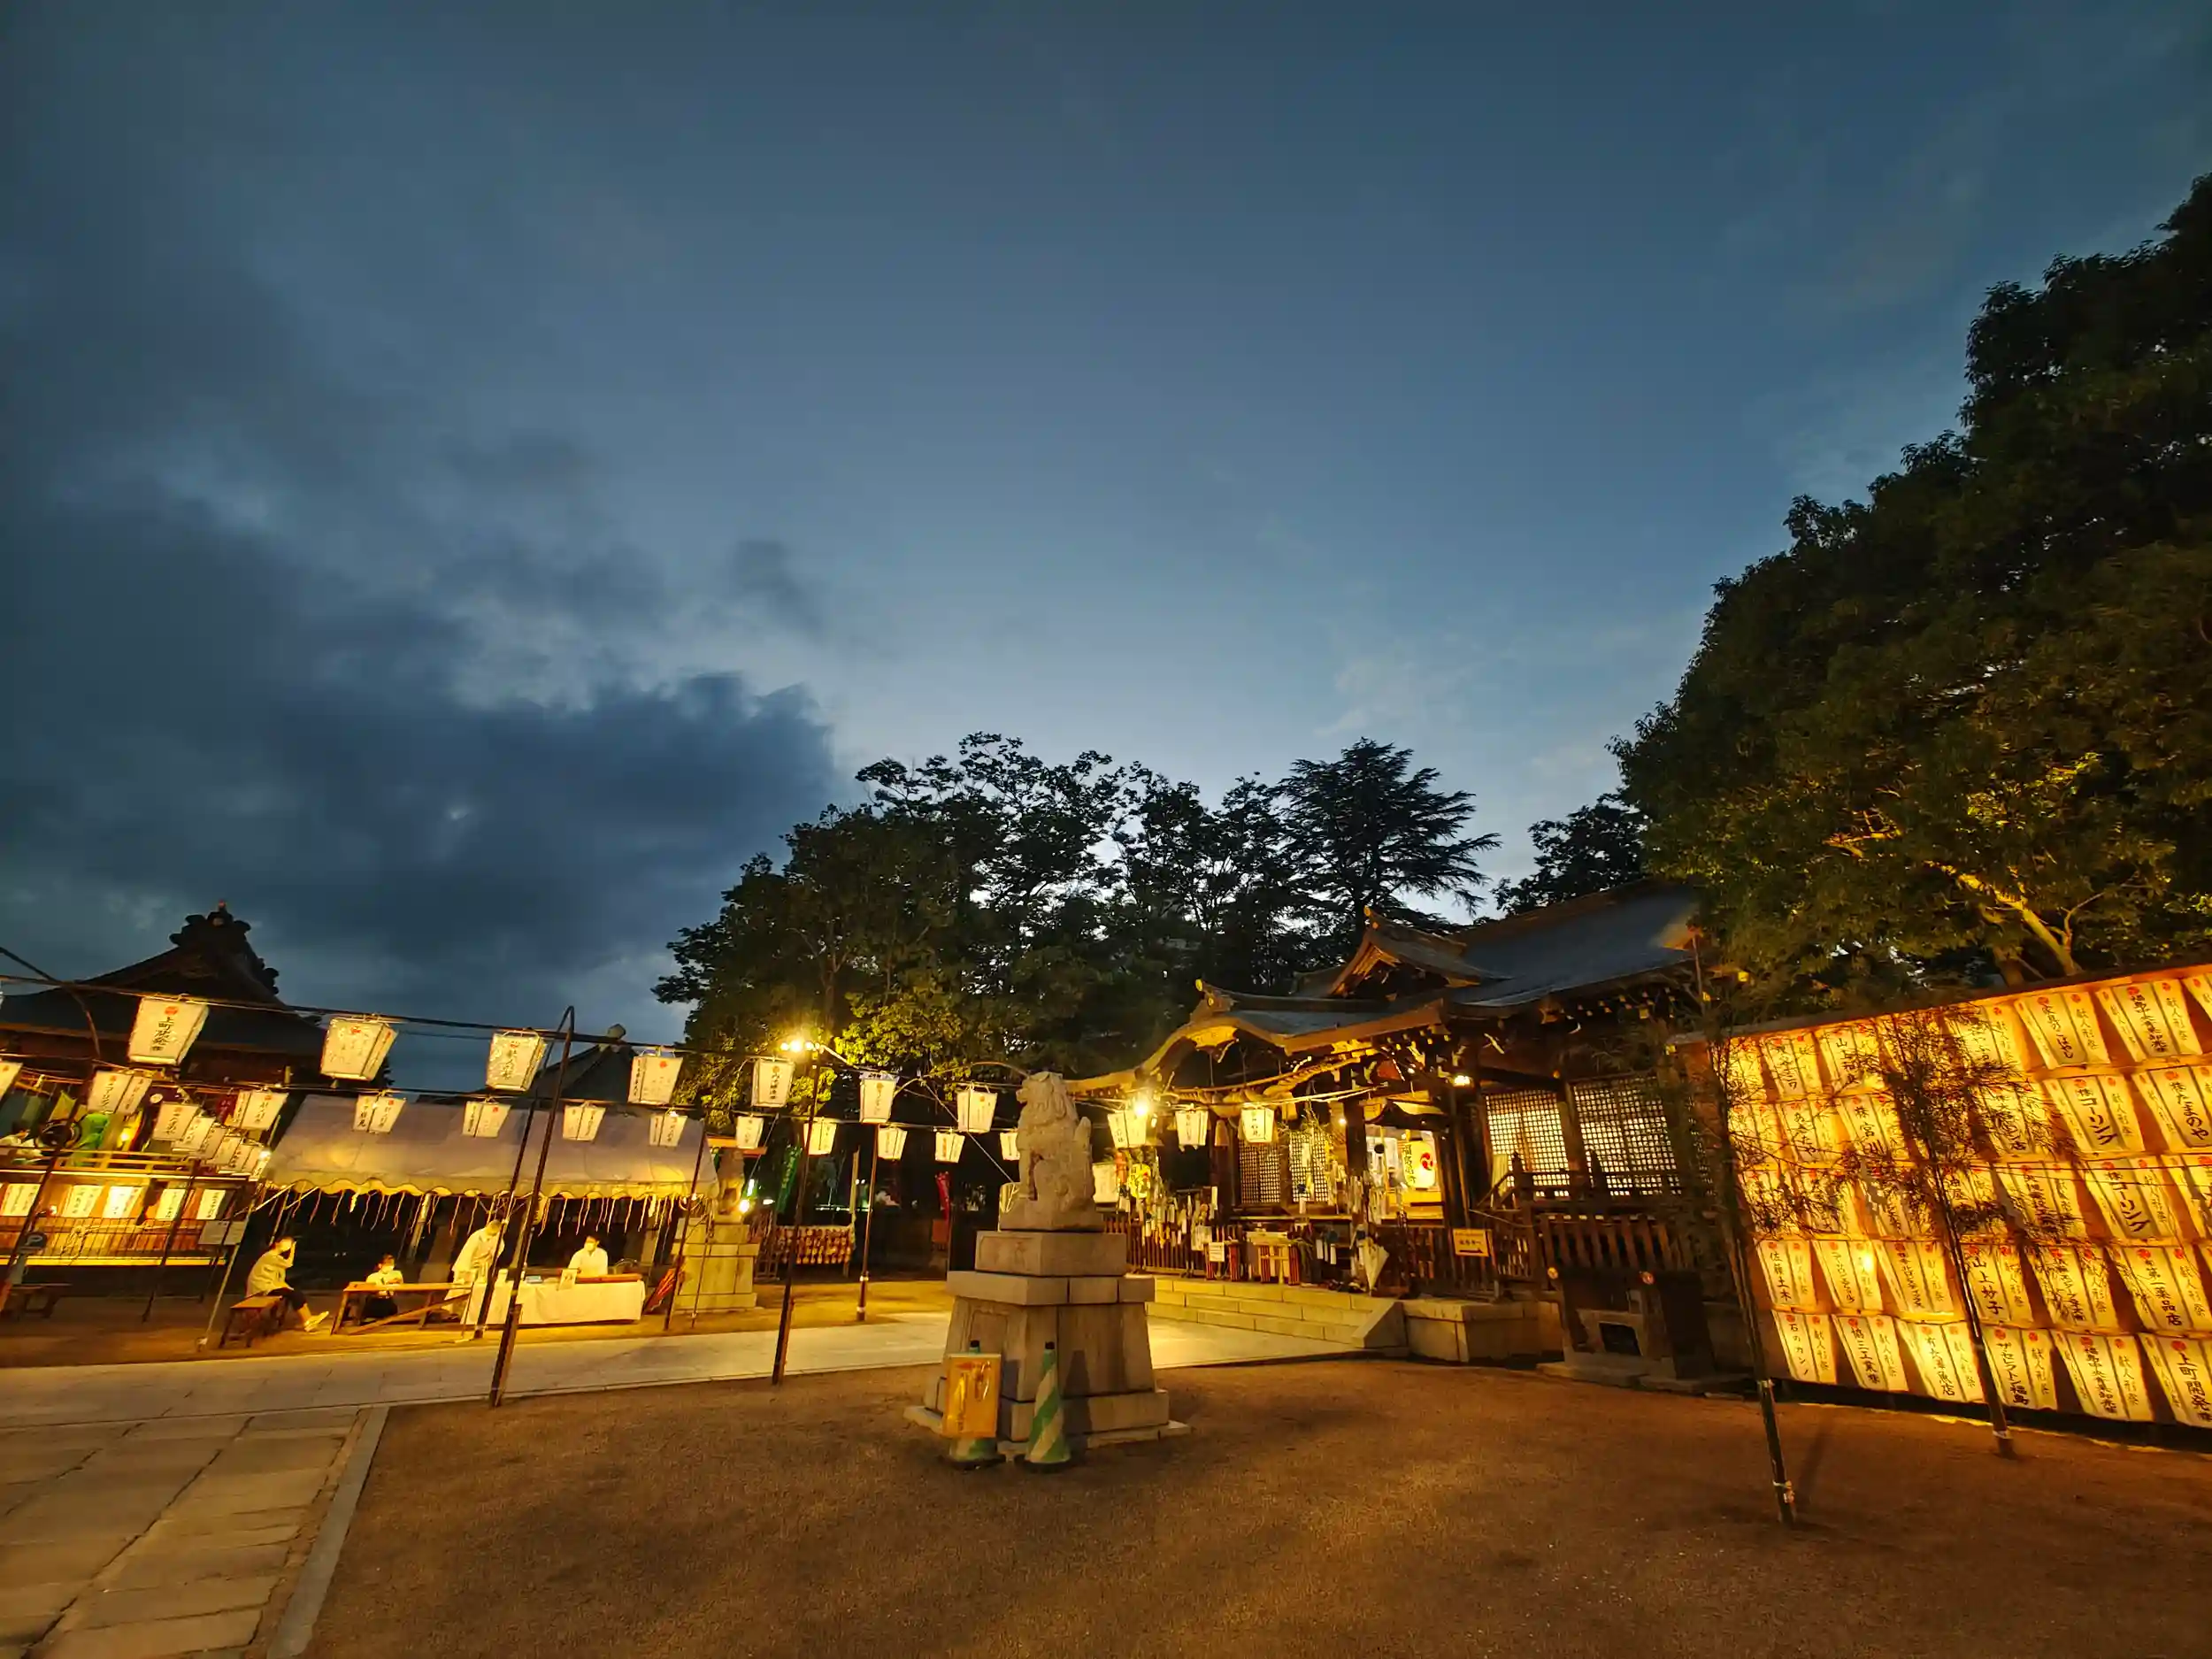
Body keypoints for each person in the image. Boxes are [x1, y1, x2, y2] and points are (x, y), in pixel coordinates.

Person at [244, 1237, 326, 1333]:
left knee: (296, 1293)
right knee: (293, 1294)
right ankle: (307, 1321)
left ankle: (309, 1319)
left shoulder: (278, 1259)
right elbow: (288, 1264)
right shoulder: (269, 1256)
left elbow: (280, 1279)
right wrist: (293, 1249)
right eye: (286, 1243)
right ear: (277, 1243)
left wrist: (289, 1288)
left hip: (269, 1287)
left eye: (290, 1244)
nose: (288, 1246)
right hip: (261, 1289)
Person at [363, 1252, 405, 1322]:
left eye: (392, 1264)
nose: (390, 1267)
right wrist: (383, 1286)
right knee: (371, 1321)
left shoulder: (396, 1274)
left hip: (389, 1301)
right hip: (375, 1302)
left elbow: (402, 1288)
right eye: (388, 1264)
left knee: (391, 1321)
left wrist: (398, 1283)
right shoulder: (372, 1277)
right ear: (380, 1265)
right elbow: (368, 1291)